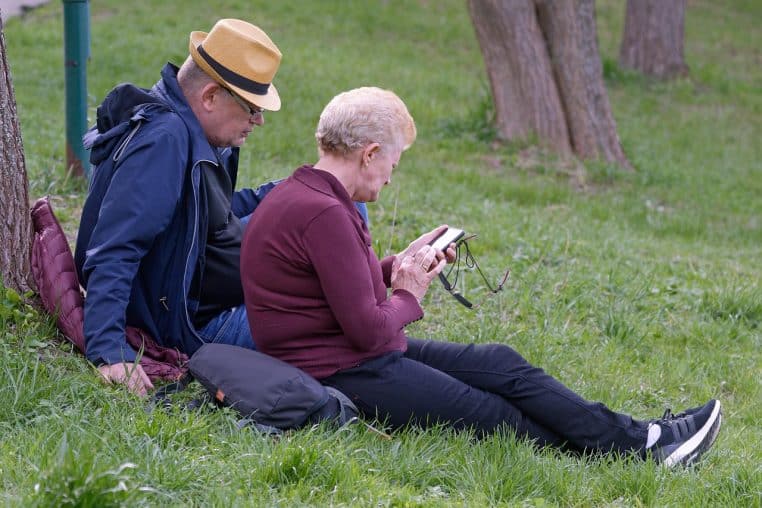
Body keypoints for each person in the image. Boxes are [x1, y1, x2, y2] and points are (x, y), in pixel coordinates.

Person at [240, 87, 722, 467]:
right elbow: (367, 327)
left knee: (500, 362)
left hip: (352, 355)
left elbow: (334, 283)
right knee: (492, 413)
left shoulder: (304, 192)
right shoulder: (324, 212)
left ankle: (641, 439)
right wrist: (410, 294)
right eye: (392, 162)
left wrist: (401, 263)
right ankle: (643, 448)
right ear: (369, 154)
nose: (390, 176)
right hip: (341, 371)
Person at [74, 19, 289, 396]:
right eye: (252, 108)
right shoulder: (165, 141)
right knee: (321, 318)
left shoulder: (191, 130)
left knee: (337, 198)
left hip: (208, 289)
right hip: (194, 325)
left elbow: (208, 213)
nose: (259, 120)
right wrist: (109, 351)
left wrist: (292, 191)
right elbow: (116, 246)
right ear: (209, 97)